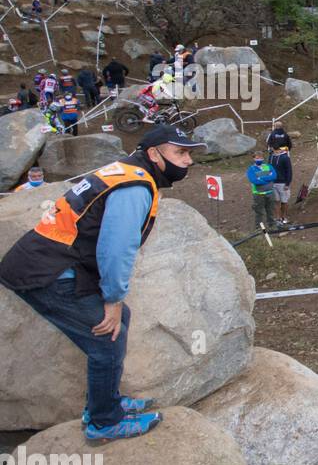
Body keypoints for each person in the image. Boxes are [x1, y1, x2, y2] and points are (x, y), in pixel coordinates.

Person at [0, 126, 204, 440]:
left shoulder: (125, 170)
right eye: (180, 152)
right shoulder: (135, 186)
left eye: (188, 153)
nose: (187, 160)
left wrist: (115, 304)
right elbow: (116, 248)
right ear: (154, 154)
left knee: (120, 321)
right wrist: (113, 297)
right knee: (107, 340)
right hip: (49, 271)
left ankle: (104, 401)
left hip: (50, 260)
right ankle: (103, 421)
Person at [247, 153, 279, 231]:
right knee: (259, 212)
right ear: (254, 158)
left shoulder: (268, 166)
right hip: (258, 194)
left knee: (270, 211)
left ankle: (272, 225)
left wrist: (261, 178)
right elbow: (254, 180)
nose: (259, 159)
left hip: (270, 193)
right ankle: (258, 228)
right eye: (257, 158)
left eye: (261, 157)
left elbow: (274, 176)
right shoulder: (251, 169)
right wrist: (268, 179)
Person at [270, 142, 293, 225]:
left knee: (284, 201)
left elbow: (289, 171)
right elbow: (269, 169)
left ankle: (284, 218)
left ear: (273, 148)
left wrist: (287, 183)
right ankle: (278, 218)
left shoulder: (285, 157)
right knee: (276, 201)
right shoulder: (271, 156)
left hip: (282, 183)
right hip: (273, 183)